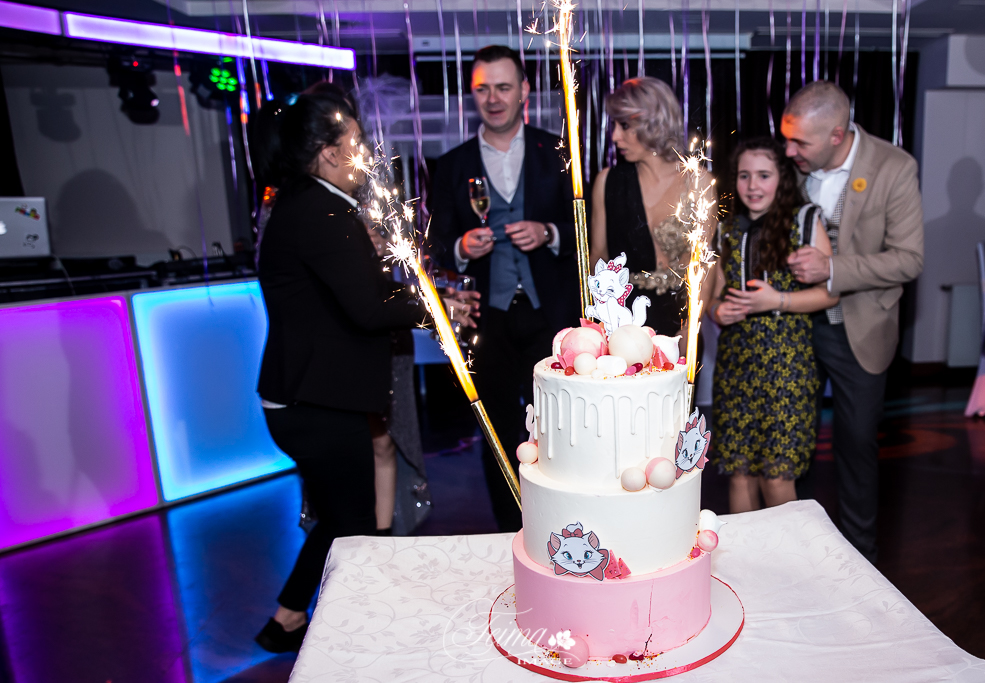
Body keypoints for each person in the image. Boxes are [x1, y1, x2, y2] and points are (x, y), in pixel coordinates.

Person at [253, 88, 474, 652]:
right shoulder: (323, 211)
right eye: (356, 141)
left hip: (312, 394)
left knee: (340, 516)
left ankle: (290, 618)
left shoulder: (308, 203)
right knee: (346, 521)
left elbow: (356, 293)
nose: (367, 153)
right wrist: (438, 308)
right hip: (316, 400)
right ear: (329, 152)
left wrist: (432, 298)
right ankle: (317, 625)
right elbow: (369, 309)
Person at [429, 45, 578, 533]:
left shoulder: (557, 153)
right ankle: (508, 531)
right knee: (496, 429)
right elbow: (436, 242)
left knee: (558, 427)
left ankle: (562, 527)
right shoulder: (451, 165)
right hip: (485, 319)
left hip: (549, 314)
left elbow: (583, 231)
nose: (493, 98)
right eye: (482, 89)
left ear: (524, 91)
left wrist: (549, 233)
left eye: (503, 87)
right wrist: (460, 246)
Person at [781, 81, 924, 563]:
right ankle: (799, 548)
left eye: (800, 142)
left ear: (837, 136)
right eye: (786, 138)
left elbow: (909, 259)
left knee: (857, 443)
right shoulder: (793, 166)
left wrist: (832, 268)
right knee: (794, 439)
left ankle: (861, 558)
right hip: (796, 326)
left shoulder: (894, 168)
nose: (789, 151)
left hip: (859, 328)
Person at [708, 138, 838, 513]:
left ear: (782, 177)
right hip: (736, 363)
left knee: (777, 476)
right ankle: (746, 554)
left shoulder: (805, 220)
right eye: (744, 175)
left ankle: (787, 554)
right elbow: (711, 297)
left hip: (788, 365)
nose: (753, 185)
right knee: (740, 473)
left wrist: (776, 301)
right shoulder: (726, 227)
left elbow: (830, 294)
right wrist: (718, 313)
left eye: (764, 175)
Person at [590, 77, 715, 338]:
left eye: (625, 125)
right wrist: (602, 321)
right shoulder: (608, 182)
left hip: (680, 318)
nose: (615, 136)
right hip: (624, 321)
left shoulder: (697, 181)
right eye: (615, 125)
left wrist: (689, 329)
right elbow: (597, 258)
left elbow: (703, 264)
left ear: (654, 123)